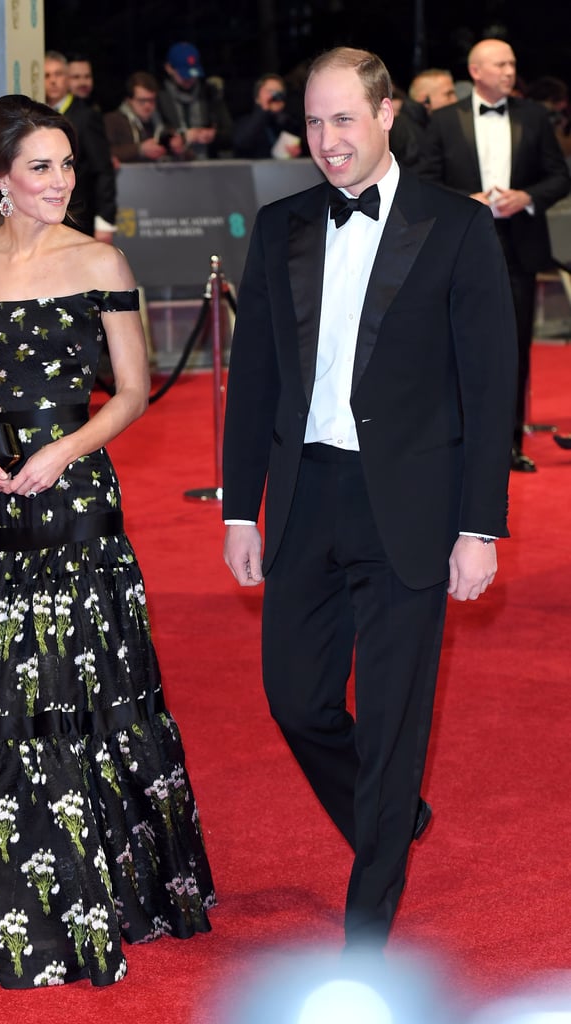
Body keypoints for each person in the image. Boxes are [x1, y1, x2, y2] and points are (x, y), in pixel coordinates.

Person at [0, 94, 215, 989]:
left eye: (67, 165)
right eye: (39, 167)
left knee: (89, 675)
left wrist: (65, 451)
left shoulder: (100, 259)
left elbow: (131, 388)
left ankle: (112, 886)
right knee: (5, 680)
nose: (59, 182)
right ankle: (7, 878)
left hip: (77, 496)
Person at [222, 46, 517, 950]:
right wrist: (240, 507)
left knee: (392, 719)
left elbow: (489, 379)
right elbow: (256, 374)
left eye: (344, 118)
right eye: (313, 122)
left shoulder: (457, 227)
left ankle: (368, 928)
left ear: (388, 114)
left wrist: (480, 525)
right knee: (296, 699)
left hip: (413, 505)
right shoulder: (281, 227)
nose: (327, 140)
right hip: (307, 495)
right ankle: (391, 819)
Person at [418, 38, 571, 473]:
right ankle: (454, 443)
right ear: (476, 70)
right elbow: (424, 182)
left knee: (515, 348)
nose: (509, 71)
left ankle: (507, 446)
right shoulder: (444, 120)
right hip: (463, 245)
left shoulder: (534, 116)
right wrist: (467, 201)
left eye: (513, 63)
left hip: (519, 245)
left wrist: (526, 196)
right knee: (454, 345)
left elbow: (558, 176)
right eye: (500, 64)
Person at [44, 50, 117, 242]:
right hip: (45, 218)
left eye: (58, 74)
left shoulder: (86, 116)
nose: (52, 81)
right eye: (47, 75)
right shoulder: (37, 116)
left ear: (68, 79)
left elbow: (103, 170)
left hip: (79, 218)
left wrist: (105, 221)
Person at [157, 41, 232, 159]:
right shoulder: (159, 97)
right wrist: (184, 137)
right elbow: (156, 136)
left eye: (193, 74)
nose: (190, 79)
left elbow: (229, 133)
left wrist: (213, 136)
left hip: (206, 163)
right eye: (184, 75)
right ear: (169, 68)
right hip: (171, 167)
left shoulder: (209, 93)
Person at [104, 71, 186, 163]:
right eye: (142, 100)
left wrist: (178, 147)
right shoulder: (113, 121)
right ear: (129, 100)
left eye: (151, 100)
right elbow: (103, 152)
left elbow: (188, 156)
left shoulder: (161, 123)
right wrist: (139, 149)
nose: (147, 106)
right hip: (127, 176)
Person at [232, 73, 302, 159]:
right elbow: (242, 142)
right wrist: (264, 108)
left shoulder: (289, 122)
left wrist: (295, 153)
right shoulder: (244, 121)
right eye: (270, 91)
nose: (275, 96)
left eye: (279, 92)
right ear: (257, 97)